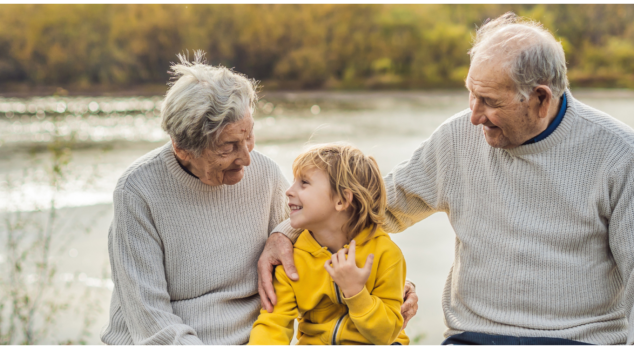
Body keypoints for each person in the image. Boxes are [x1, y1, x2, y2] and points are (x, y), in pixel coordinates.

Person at [258, 13, 634, 345]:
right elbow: (370, 208)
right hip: (472, 339)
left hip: (576, 341)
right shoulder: (459, 137)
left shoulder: (619, 155)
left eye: (489, 102)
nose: (474, 115)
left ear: (540, 99)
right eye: (471, 94)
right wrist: (285, 233)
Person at [101, 52, 418, 345]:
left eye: (248, 136)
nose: (247, 159)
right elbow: (151, 322)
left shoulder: (264, 173)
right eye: (228, 147)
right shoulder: (137, 192)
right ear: (182, 148)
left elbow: (315, 229)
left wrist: (383, 288)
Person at [249, 143, 410, 345]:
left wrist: (356, 292)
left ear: (342, 200)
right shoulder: (291, 259)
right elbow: (273, 324)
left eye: (304, 182)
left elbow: (387, 334)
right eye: (293, 181)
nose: (289, 191)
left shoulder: (386, 254)